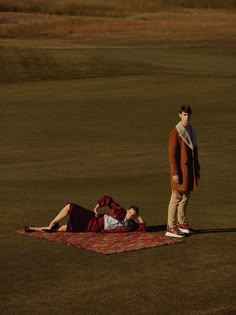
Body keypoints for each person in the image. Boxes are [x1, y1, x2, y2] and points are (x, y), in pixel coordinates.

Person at [165, 105, 200, 238]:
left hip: (189, 170)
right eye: (184, 115)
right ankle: (170, 226)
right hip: (180, 171)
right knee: (176, 197)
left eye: (188, 115)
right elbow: (172, 155)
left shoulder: (192, 131)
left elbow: (194, 152)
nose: (187, 117)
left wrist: (197, 168)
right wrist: (175, 173)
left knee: (185, 197)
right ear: (179, 115)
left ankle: (181, 223)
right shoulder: (175, 133)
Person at [25, 195, 146, 233]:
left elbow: (143, 230)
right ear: (127, 210)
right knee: (70, 207)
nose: (130, 215)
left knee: (59, 230)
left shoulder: (131, 225)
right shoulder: (119, 211)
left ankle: (35, 228)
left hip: (93, 229)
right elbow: (108, 199)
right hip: (93, 220)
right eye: (130, 212)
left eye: (133, 215)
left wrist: (139, 217)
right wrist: (97, 207)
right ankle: (53, 222)